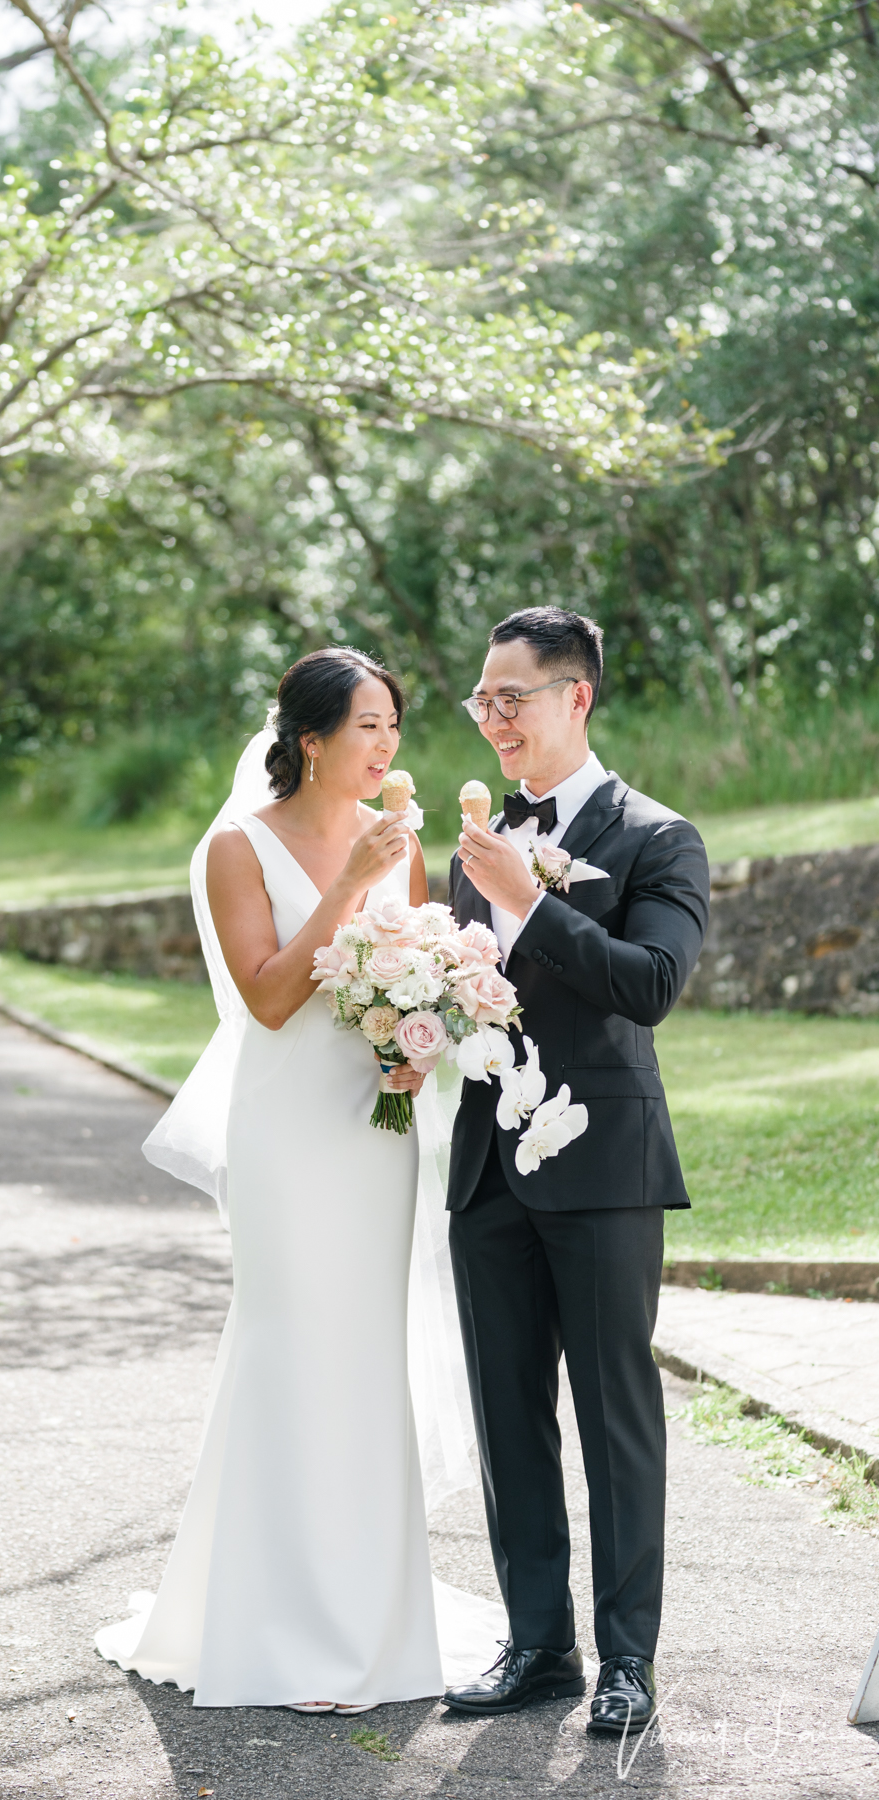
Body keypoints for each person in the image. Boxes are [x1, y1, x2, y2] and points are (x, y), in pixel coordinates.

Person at [94, 646, 503, 1710]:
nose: (385, 746)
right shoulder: (238, 846)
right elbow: (272, 997)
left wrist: (416, 1043)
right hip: (285, 1131)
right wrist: (357, 880)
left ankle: (369, 1612)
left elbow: (403, 975)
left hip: (377, 1129)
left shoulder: (398, 843)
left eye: (393, 727)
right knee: (291, 1343)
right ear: (310, 739)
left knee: (368, 1353)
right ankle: (272, 1610)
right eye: (366, 726)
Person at [441, 606, 710, 1736]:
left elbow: (649, 983)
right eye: (483, 701)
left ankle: (628, 1664)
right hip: (487, 1172)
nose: (494, 720)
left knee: (614, 1418)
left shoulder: (660, 837)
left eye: (513, 698)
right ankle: (539, 1645)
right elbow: (469, 988)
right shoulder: (480, 837)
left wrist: (529, 900)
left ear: (575, 697)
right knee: (509, 1417)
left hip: (603, 1171)